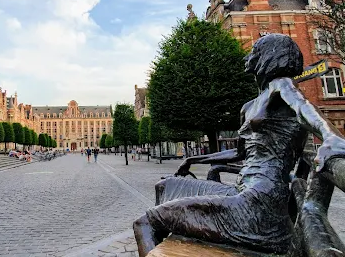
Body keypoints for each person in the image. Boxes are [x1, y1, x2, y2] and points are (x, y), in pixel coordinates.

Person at [133, 34, 345, 256]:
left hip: (260, 203)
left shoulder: (281, 85)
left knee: (144, 223)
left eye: (255, 52)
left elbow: (304, 108)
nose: (249, 56)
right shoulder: (249, 106)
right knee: (165, 186)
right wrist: (193, 160)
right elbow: (239, 153)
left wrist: (329, 135)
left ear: (270, 57)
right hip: (242, 189)